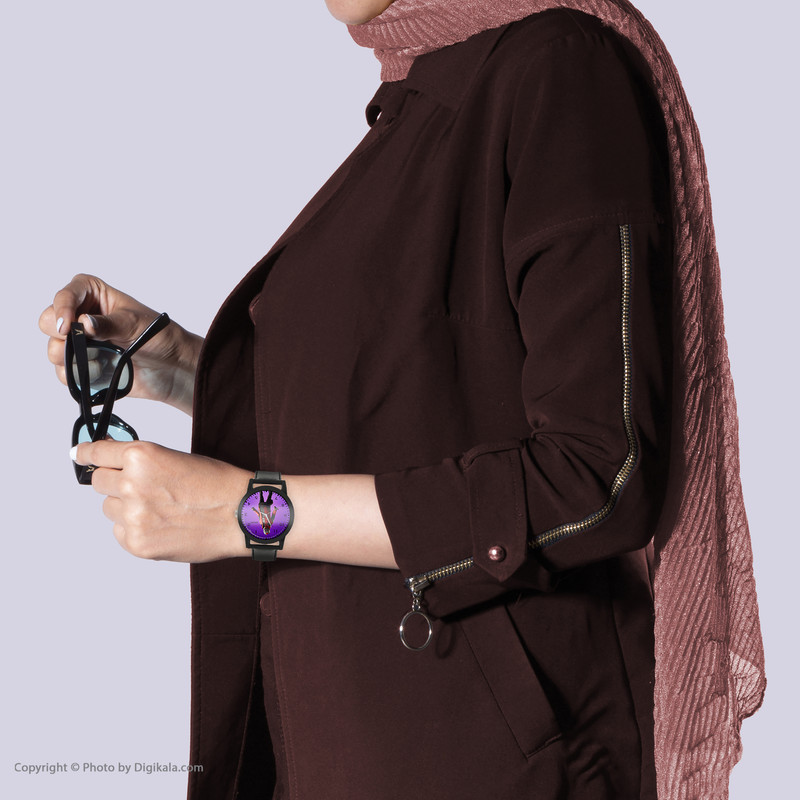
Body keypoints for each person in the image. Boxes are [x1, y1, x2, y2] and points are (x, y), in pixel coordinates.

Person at [39, 1, 764, 798]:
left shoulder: (558, 65)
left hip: (487, 763)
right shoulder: (420, 103)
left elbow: (601, 477)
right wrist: (181, 368)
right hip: (349, 739)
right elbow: (407, 414)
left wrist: (248, 515)